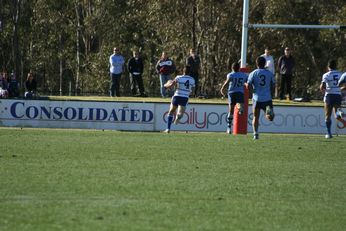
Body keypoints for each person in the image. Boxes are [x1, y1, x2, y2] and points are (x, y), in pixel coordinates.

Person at [246, 56, 276, 140]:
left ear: (257, 64)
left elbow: (248, 85)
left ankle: (255, 134)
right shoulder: (269, 73)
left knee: (256, 117)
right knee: (271, 118)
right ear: (265, 64)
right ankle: (268, 112)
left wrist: (252, 92)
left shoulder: (253, 73)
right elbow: (273, 84)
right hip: (267, 98)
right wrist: (271, 91)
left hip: (257, 98)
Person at [163, 66, 195, 133]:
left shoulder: (179, 77)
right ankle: (178, 116)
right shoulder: (192, 80)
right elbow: (193, 90)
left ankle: (168, 129)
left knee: (171, 111)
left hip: (177, 95)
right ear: (190, 72)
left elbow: (172, 85)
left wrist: (165, 86)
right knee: (181, 113)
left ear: (183, 71)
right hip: (185, 97)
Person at [220, 62, 248, 134]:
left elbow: (227, 82)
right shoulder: (244, 75)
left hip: (231, 93)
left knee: (231, 110)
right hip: (240, 93)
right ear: (239, 68)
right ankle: (239, 107)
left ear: (232, 68)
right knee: (240, 107)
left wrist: (222, 89)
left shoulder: (230, 75)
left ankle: (229, 128)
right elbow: (246, 82)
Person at [319, 60, 345, 139]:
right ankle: (341, 114)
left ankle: (329, 133)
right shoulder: (341, 74)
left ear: (328, 67)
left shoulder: (326, 75)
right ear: (336, 66)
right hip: (337, 95)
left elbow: (322, 87)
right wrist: (339, 89)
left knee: (327, 116)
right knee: (336, 114)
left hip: (329, 95)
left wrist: (322, 90)